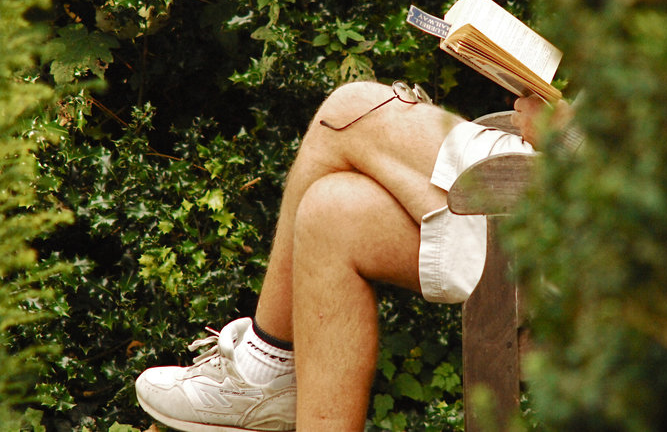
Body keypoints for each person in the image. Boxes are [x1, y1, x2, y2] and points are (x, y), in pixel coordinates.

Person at [134, 80, 576, 432]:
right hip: (566, 198)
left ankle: (261, 369)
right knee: (332, 213)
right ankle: (268, 376)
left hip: (575, 222)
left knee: (349, 111)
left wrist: (568, 134)